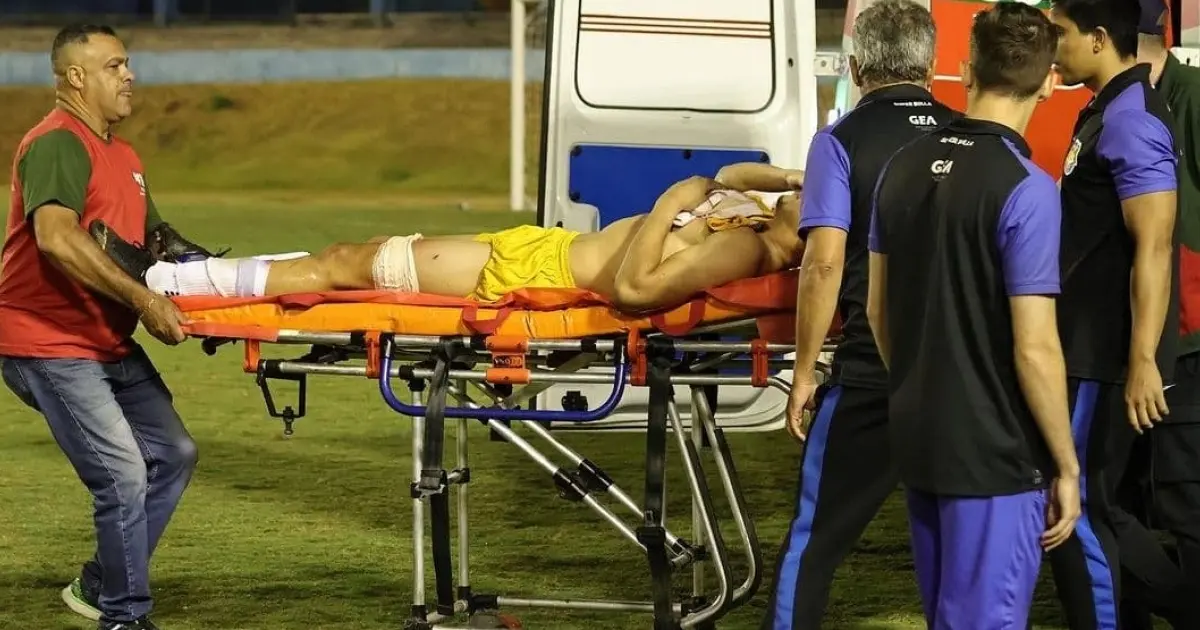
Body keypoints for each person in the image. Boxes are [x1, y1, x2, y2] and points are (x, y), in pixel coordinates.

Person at [865, 3, 1082, 627]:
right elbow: (1035, 349)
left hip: (920, 435)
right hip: (995, 453)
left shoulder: (899, 168)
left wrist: (919, 385)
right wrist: (1066, 465)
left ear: (964, 72)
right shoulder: (1029, 189)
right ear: (1048, 82)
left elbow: (879, 311)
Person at [0, 24, 220, 630]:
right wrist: (146, 304)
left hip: (102, 340)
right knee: (122, 473)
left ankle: (100, 582)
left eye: (128, 64)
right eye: (115, 65)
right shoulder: (57, 143)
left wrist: (222, 299)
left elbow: (157, 248)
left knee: (173, 453)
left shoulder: (124, 157)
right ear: (76, 77)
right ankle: (123, 616)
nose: (130, 76)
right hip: (44, 340)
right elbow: (55, 238)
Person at [749, 1, 960, 627]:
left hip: (874, 370)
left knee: (814, 540)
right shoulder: (970, 134)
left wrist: (806, 369)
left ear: (856, 65)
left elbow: (822, 264)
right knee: (957, 549)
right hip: (960, 370)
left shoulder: (839, 141)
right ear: (932, 64)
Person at [88, 177, 805, 313]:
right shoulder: (757, 209)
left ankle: (173, 281)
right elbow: (734, 175)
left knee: (346, 264)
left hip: (536, 269)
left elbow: (636, 290)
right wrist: (784, 178)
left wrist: (672, 205)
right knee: (350, 252)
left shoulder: (748, 251)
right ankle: (190, 269)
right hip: (539, 246)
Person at [1045, 0, 1182, 626]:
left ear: (1099, 38)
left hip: (1103, 355)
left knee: (1083, 508)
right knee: (1100, 505)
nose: (1052, 47)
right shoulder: (1105, 111)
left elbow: (1153, 248)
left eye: (1060, 34)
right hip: (1089, 347)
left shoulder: (1130, 120)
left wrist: (1142, 360)